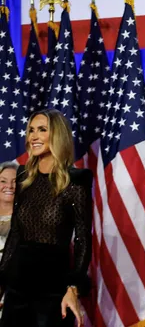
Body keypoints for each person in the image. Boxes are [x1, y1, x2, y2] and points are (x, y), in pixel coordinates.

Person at [0, 109, 93, 327]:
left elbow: (82, 238)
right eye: (31, 130)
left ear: (57, 135)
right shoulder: (23, 176)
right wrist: (2, 282)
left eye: (42, 130)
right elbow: (15, 234)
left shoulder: (76, 180)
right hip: (17, 287)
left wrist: (73, 288)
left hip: (52, 291)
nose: (34, 136)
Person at [0, 162, 17, 315]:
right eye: (3, 181)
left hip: (15, 295)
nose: (9, 186)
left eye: (14, 181)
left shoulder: (28, 218)